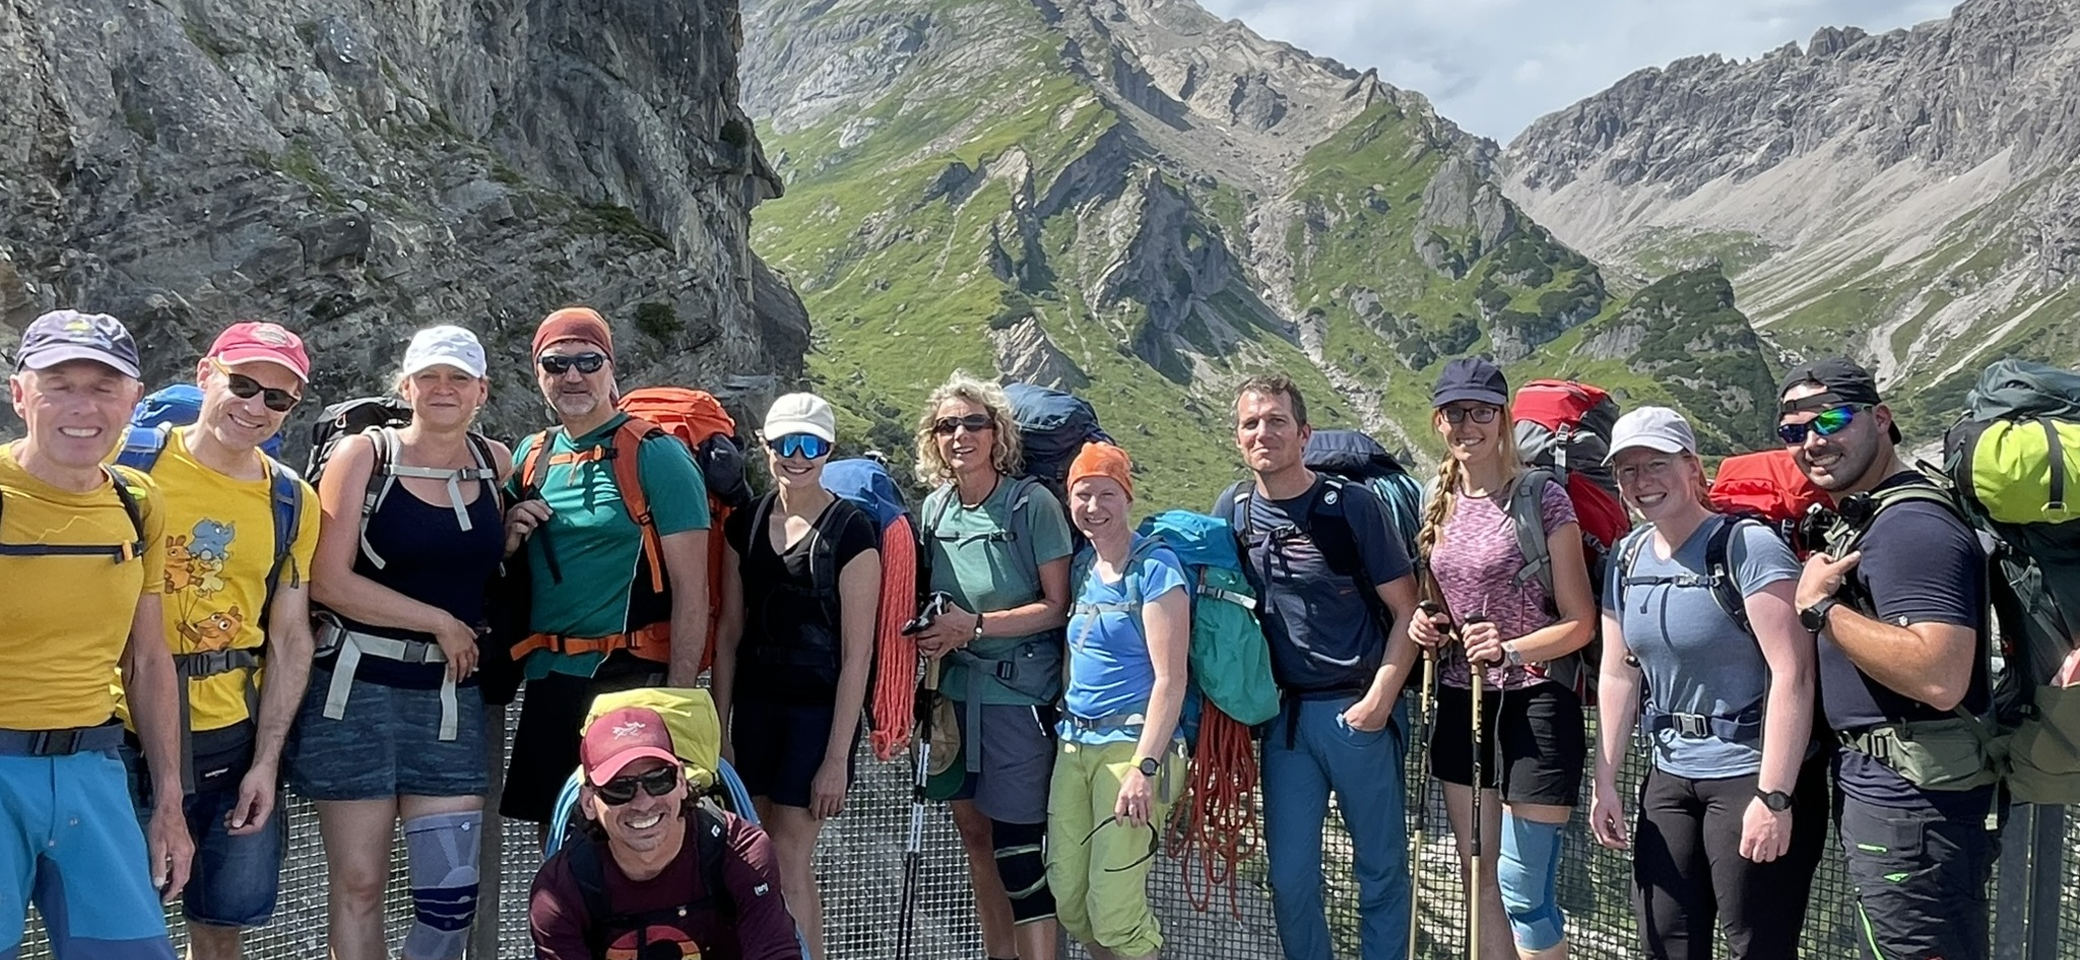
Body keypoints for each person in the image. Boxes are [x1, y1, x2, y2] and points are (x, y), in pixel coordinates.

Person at [293, 326, 512, 960]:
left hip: (446, 702)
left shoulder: (494, 464)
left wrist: (515, 530)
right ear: (406, 386)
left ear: (481, 391)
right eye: (430, 377)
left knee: (449, 897)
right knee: (358, 886)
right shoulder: (363, 455)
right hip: (354, 694)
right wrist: (439, 622)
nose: (444, 389)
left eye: (459, 378)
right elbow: (328, 580)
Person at [1779, 358, 2004, 960]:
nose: (1813, 441)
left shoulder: (1910, 527)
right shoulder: (1877, 514)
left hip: (1914, 807)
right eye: (1794, 431)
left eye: (1831, 418)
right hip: (1899, 797)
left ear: (1881, 420)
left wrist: (1820, 609)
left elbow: (1939, 675)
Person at [1588, 407, 1826, 960]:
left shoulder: (1747, 547)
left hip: (1751, 773)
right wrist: (1605, 782)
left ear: (1693, 467)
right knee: (1665, 938)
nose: (1641, 482)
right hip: (1670, 774)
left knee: (1756, 942)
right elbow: (1619, 670)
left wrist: (1775, 797)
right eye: (1627, 470)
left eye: (1656, 464)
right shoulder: (1626, 557)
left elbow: (1795, 672)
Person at [117, 321, 321, 960]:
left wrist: (267, 761)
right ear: (206, 374)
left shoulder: (292, 499)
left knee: (221, 926)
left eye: (277, 399)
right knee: (121, 923)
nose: (255, 407)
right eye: (242, 385)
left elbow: (290, 638)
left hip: (231, 737)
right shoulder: (125, 464)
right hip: (119, 731)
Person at [1, 310, 190, 960]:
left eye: (104, 386)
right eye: (60, 384)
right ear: (19, 392)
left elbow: (147, 658)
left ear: (134, 400)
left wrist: (169, 802)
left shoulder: (140, 502)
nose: (83, 407)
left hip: (94, 775)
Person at [1216, 374, 1420, 960]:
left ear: (1303, 434)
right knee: (1289, 878)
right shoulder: (1234, 510)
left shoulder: (1350, 506)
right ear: (1238, 437)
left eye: (1276, 420)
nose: (1263, 432)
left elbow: (1406, 608)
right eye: (1252, 422)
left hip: (1356, 710)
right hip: (1283, 721)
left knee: (1380, 873)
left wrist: (1380, 701)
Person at [1408, 358, 1595, 960]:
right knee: (1477, 880)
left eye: (1481, 412)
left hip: (1538, 700)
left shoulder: (1544, 497)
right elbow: (1441, 601)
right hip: (1463, 698)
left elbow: (1579, 621)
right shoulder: (1436, 501)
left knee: (1524, 891)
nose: (1468, 425)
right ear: (1439, 421)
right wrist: (1427, 620)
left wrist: (1510, 648)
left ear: (1503, 418)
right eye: (1455, 412)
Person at [500, 307, 714, 826]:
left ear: (610, 367)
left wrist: (676, 700)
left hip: (631, 680)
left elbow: (693, 589)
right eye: (556, 364)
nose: (572, 376)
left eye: (587, 361)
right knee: (559, 845)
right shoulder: (531, 454)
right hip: (551, 679)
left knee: (635, 838)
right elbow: (501, 568)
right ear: (538, 373)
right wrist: (508, 538)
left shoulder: (654, 455)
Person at [909, 371, 1073, 960]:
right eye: (947, 425)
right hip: (953, 695)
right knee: (976, 838)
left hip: (1017, 698)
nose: (960, 435)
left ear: (996, 432)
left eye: (973, 423)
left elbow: (1057, 608)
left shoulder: (1034, 505)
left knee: (1020, 852)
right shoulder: (934, 508)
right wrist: (934, 633)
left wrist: (972, 627)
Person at [713, 392, 879, 959]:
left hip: (816, 718)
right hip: (756, 711)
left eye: (809, 445)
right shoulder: (745, 524)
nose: (796, 455)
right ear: (765, 447)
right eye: (785, 443)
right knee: (752, 853)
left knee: (787, 857)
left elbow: (859, 655)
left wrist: (836, 759)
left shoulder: (852, 532)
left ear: (828, 450)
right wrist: (720, 729)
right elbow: (729, 634)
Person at [1046, 442, 1188, 960]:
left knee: (1116, 909)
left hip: (1132, 750)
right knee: (1071, 899)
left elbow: (1171, 680)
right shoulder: (1083, 567)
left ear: (1127, 498)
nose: (1093, 507)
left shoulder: (1157, 570)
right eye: (1082, 495)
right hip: (1075, 745)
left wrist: (1143, 769)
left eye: (1107, 494)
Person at [528, 706, 799, 959]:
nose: (643, 803)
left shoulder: (741, 852)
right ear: (588, 802)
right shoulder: (560, 892)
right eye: (619, 788)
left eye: (659, 780)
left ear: (681, 782)